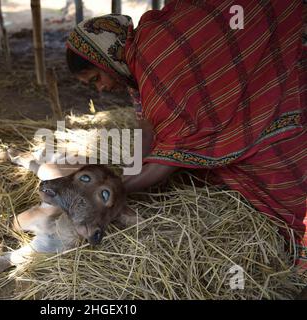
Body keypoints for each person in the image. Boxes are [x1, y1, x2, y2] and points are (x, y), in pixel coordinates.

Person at [65, 0, 306, 269]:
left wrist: (114, 193)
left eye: (97, 79)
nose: (101, 89)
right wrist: (128, 172)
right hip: (265, 67)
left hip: (280, 69)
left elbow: (174, 149)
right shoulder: (136, 63)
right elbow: (150, 126)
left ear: (104, 58)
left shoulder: (158, 53)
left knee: (278, 170)